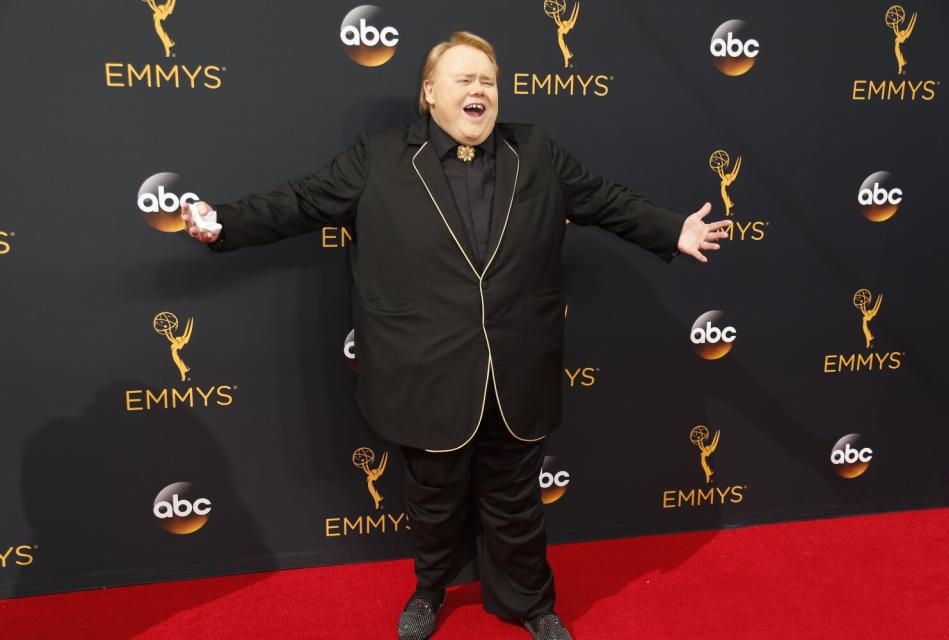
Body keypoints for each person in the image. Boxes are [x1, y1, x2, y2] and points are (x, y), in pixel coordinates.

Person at [181, 31, 731, 640]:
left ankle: (530, 603)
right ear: (428, 93)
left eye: (489, 81)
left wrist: (671, 229)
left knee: (517, 501)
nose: (480, 91)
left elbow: (604, 200)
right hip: (424, 370)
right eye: (465, 79)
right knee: (434, 502)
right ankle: (430, 590)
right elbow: (301, 202)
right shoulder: (379, 157)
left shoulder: (537, 151)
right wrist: (223, 222)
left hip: (517, 367)